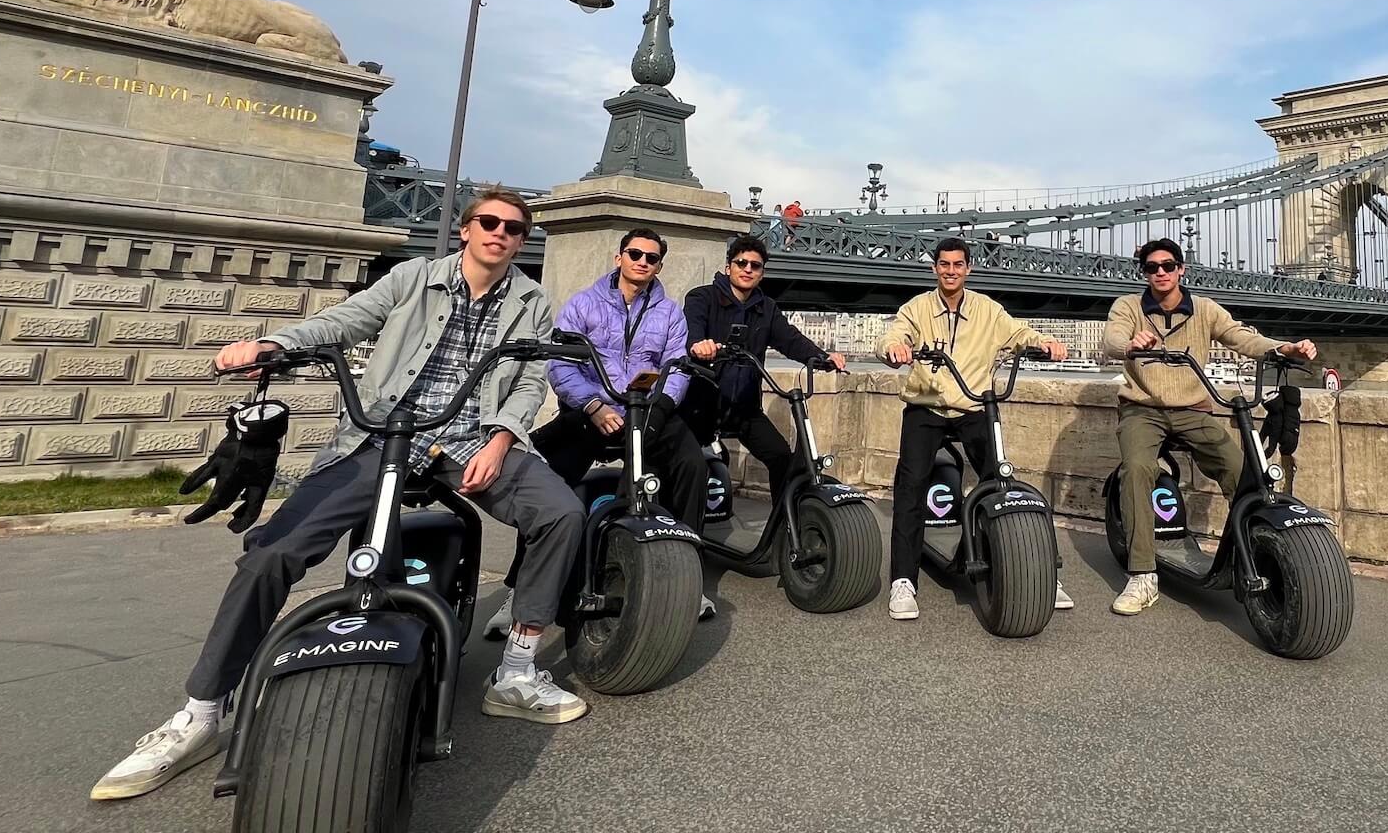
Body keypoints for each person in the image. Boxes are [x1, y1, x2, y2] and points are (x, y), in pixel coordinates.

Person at [90, 186, 588, 803]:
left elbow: (531, 378)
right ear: (464, 230)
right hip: (383, 435)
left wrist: (503, 439)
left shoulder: (532, 301)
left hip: (471, 440)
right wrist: (276, 345)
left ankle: (515, 670)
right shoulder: (412, 279)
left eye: (513, 228)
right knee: (272, 553)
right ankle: (201, 710)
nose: (500, 234)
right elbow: (342, 321)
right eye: (488, 223)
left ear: (521, 240)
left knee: (563, 513)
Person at [484, 227, 713, 637]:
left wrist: (658, 410)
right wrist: (593, 406)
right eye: (635, 254)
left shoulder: (670, 312)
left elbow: (677, 366)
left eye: (652, 258)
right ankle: (519, 588)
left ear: (660, 265)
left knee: (693, 467)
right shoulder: (584, 303)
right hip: (593, 410)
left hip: (647, 411)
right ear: (618, 257)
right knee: (546, 479)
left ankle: (686, 579)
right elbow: (560, 365)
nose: (643, 262)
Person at [1101, 237, 1317, 616]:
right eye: (1152, 268)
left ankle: (1254, 550)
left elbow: (1242, 338)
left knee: (1239, 467)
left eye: (1168, 266)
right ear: (1145, 273)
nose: (1161, 273)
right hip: (1143, 408)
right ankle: (1142, 574)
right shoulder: (1129, 307)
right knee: (1138, 469)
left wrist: (1284, 349)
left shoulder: (1203, 310)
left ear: (1182, 269)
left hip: (1193, 409)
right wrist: (1132, 344)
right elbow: (1113, 340)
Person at [880, 237, 1074, 621]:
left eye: (958, 265)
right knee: (911, 484)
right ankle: (903, 579)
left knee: (1000, 481)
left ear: (968, 269)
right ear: (935, 268)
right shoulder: (916, 308)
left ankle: (1031, 569)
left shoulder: (987, 309)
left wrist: (1045, 341)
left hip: (971, 405)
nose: (951, 271)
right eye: (944, 264)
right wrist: (895, 349)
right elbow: (894, 335)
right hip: (928, 405)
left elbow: (1018, 333)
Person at [682, 234, 847, 507]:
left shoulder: (766, 307)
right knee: (688, 464)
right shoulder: (702, 297)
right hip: (702, 404)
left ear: (762, 273)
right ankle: (684, 533)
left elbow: (790, 339)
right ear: (728, 267)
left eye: (755, 266)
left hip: (743, 408)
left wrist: (822, 357)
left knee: (782, 456)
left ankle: (784, 527)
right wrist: (699, 345)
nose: (748, 269)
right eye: (741, 263)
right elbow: (693, 329)